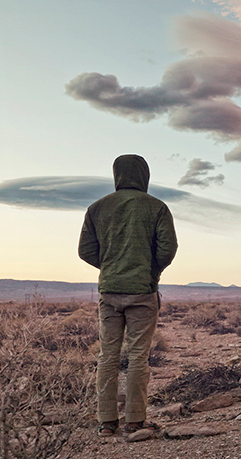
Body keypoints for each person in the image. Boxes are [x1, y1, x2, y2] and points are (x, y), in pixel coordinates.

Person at [78, 154, 178, 437]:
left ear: (117, 175)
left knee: (107, 356)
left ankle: (107, 422)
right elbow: (168, 249)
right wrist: (150, 271)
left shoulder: (96, 208)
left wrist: (111, 266)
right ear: (144, 175)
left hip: (109, 291)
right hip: (142, 292)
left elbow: (85, 251)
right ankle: (135, 420)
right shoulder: (157, 208)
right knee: (137, 357)